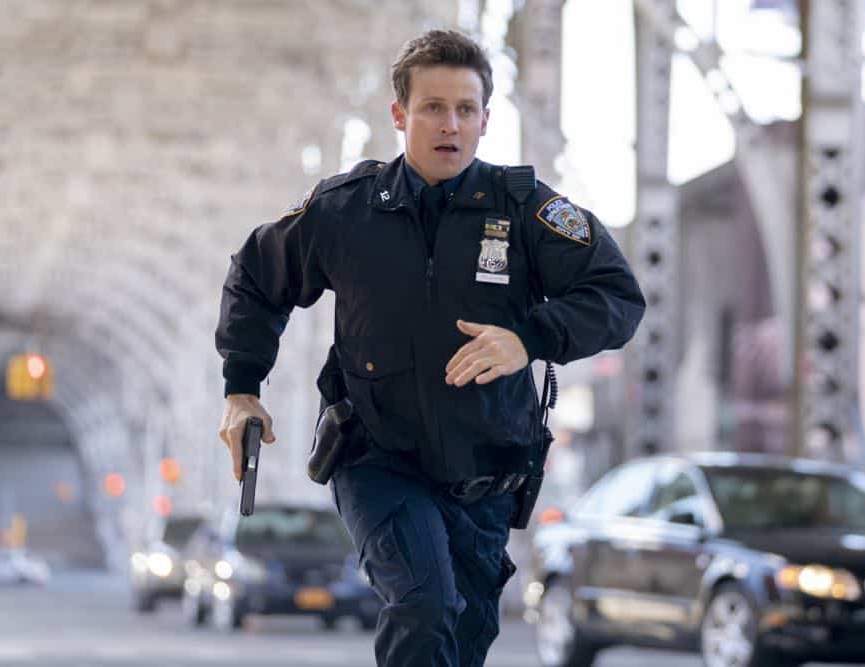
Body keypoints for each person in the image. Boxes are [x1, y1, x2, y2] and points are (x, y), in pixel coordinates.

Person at [216, 29, 644, 667]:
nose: (451, 125)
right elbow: (255, 276)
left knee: (461, 640)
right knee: (423, 606)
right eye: (433, 108)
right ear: (400, 114)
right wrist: (242, 388)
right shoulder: (344, 210)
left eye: (466, 110)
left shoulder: (525, 212)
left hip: (486, 474)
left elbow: (617, 296)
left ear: (486, 120)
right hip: (377, 459)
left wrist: (530, 339)